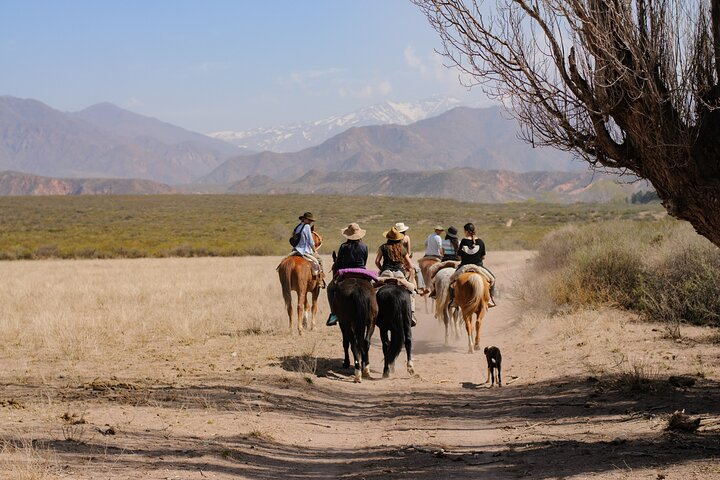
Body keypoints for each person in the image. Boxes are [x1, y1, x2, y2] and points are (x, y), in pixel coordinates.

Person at [326, 222, 369, 326]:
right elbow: (364, 261)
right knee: (372, 288)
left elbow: (339, 262)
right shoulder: (364, 246)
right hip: (361, 272)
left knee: (330, 289)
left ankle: (334, 314)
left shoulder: (344, 246)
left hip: (346, 273)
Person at [376, 226, 418, 325]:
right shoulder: (402, 248)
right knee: (412, 291)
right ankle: (411, 314)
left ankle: (373, 312)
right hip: (399, 275)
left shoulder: (383, 247)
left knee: (372, 289)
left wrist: (382, 268)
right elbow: (410, 264)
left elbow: (377, 261)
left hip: (385, 273)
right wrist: (407, 269)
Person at [456, 222, 496, 307]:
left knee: (451, 281)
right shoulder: (480, 241)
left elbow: (459, 257)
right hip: (478, 267)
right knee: (492, 279)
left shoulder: (463, 241)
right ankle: (490, 299)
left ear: (466, 231)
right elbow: (483, 257)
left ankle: (453, 300)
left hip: (464, 267)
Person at [291, 211, 325, 287]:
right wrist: (314, 250)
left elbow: (293, 236)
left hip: (295, 250)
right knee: (320, 260)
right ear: (304, 219)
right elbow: (310, 240)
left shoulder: (298, 226)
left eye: (311, 221)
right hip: (304, 250)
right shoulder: (306, 227)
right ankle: (320, 281)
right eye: (309, 220)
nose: (310, 222)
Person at [394, 221, 425, 292]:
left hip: (394, 261)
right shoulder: (406, 237)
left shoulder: (393, 238)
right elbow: (408, 252)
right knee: (418, 270)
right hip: (404, 261)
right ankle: (420, 287)